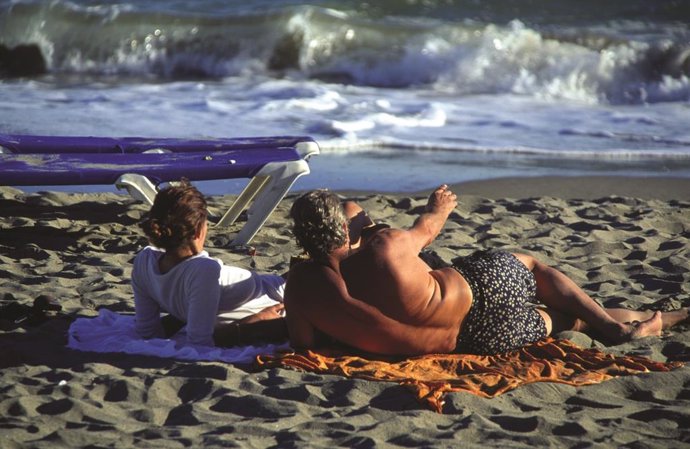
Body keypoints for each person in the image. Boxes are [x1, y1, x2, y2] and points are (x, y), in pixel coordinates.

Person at [284, 185, 688, 356]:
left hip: (474, 340)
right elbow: (428, 229)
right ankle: (639, 322)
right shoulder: (384, 247)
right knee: (533, 268)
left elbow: (305, 344)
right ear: (342, 228)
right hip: (476, 290)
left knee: (567, 322)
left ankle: (656, 320)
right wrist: (437, 206)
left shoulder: (304, 286)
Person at [132, 180, 287, 347]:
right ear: (199, 229)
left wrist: (183, 317)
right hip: (280, 297)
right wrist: (256, 322)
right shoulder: (203, 270)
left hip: (279, 288)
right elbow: (199, 343)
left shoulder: (145, 261)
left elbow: (148, 331)